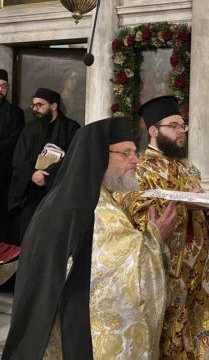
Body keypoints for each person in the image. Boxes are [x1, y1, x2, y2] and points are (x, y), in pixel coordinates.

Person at [2, 117, 169, 360]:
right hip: (80, 331)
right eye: (125, 153)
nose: (135, 160)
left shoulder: (76, 196)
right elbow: (121, 272)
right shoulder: (96, 207)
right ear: (98, 156)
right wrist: (155, 237)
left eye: (135, 152)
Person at [118, 95, 209, 359]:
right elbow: (133, 213)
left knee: (205, 337)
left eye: (182, 126)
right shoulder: (141, 169)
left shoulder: (188, 168)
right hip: (169, 271)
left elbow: (200, 208)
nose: (181, 132)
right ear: (154, 131)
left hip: (199, 271)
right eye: (174, 126)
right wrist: (183, 204)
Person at [7, 87, 80, 244]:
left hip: (56, 190)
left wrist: (48, 176)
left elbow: (74, 158)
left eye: (40, 105)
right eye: (33, 105)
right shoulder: (29, 128)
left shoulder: (71, 128)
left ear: (54, 106)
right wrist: (32, 174)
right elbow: (19, 158)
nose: (35, 109)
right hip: (30, 190)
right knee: (28, 235)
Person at [0, 69, 24, 244]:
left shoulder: (15, 113)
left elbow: (13, 140)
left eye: (3, 86)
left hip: (4, 173)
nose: (0, 90)